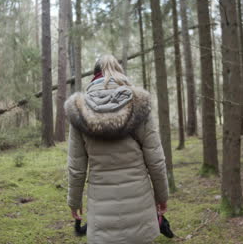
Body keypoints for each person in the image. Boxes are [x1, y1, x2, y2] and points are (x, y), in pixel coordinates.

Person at [64, 54, 169, 243]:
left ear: (94, 76)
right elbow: (156, 161)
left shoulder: (79, 111)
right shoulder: (139, 105)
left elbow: (76, 168)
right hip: (139, 204)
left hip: (102, 209)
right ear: (120, 73)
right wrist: (162, 196)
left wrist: (74, 201)